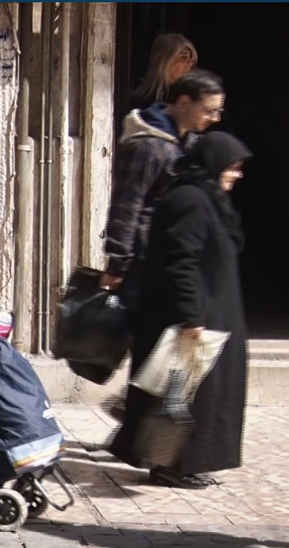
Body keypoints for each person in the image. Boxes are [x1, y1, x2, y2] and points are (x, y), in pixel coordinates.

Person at [108, 131, 251, 489]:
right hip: (192, 315)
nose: (237, 174)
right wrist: (192, 315)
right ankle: (170, 465)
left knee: (196, 396)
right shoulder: (189, 199)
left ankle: (180, 463)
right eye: (233, 167)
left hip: (210, 310)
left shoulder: (205, 198)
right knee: (183, 397)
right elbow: (180, 261)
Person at [101, 69, 226, 303]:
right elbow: (128, 205)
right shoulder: (149, 146)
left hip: (175, 255)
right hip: (146, 260)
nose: (215, 119)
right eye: (209, 111)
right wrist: (117, 264)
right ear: (184, 102)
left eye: (219, 111)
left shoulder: (188, 143)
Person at [131, 34, 197, 110]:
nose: (190, 63)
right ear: (163, 62)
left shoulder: (188, 100)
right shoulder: (141, 101)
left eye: (190, 58)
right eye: (183, 57)